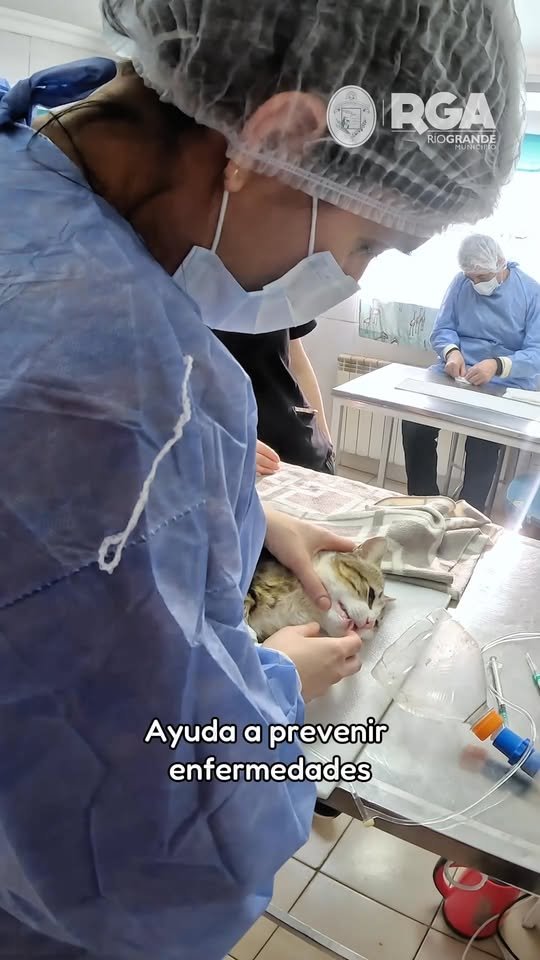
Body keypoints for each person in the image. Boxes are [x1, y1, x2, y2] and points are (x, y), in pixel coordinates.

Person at [0, 0, 525, 957]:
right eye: (369, 246)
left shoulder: (28, 166)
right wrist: (277, 681)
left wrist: (237, 512)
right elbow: (157, 828)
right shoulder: (115, 384)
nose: (352, 280)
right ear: (278, 139)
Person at [402, 235, 540, 513]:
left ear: (501, 264)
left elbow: (536, 353)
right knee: (415, 424)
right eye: (471, 277)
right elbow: (442, 329)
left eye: (482, 277)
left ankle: (468, 513)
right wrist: (452, 353)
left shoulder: (531, 293)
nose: (476, 283)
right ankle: (424, 504)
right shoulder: (460, 283)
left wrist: (497, 365)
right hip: (455, 375)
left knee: (484, 441)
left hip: (505, 381)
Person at [215, 323, 335, 477]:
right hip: (243, 462)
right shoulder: (189, 313)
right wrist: (221, 444)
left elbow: (299, 363)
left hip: (306, 451)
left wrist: (326, 440)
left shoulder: (278, 306)